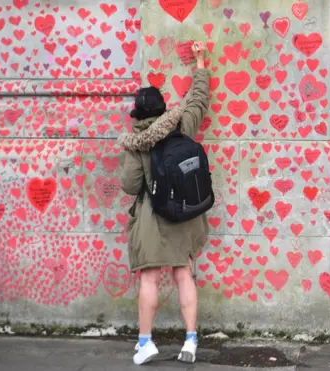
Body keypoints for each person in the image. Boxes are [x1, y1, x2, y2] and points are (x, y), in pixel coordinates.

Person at [119, 41, 209, 366]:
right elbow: (198, 99)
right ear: (162, 108)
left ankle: (145, 343)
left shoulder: (135, 145)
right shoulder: (182, 125)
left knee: (149, 278)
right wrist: (200, 62)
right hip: (185, 214)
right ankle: (190, 340)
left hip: (154, 219)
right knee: (184, 274)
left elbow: (130, 186)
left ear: (139, 115)